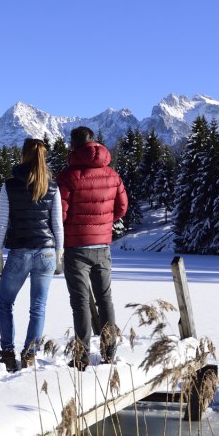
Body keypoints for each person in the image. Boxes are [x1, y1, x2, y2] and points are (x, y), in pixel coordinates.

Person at [55, 126, 128, 370]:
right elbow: (122, 208)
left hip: (76, 247)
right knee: (105, 298)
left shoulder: (67, 176)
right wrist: (104, 223)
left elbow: (60, 214)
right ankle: (109, 352)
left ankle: (82, 355)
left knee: (80, 302)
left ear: (73, 146)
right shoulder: (112, 174)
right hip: (103, 245)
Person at [0, 138, 65, 372]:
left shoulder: (9, 185)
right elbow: (57, 224)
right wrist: (59, 253)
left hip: (20, 252)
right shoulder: (52, 187)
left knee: (4, 303)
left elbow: (2, 222)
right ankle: (30, 354)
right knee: (38, 307)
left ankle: (8, 353)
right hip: (46, 252)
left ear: (23, 155)